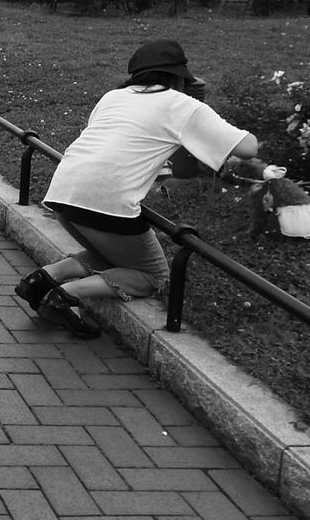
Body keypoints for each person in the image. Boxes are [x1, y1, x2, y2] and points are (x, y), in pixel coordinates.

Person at [15, 40, 258, 337]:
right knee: (153, 275)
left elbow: (137, 151)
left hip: (63, 193)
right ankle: (67, 294)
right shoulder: (185, 105)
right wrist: (199, 110)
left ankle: (43, 278)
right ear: (180, 77)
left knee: (113, 260)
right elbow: (248, 148)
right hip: (107, 203)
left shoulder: (113, 97)